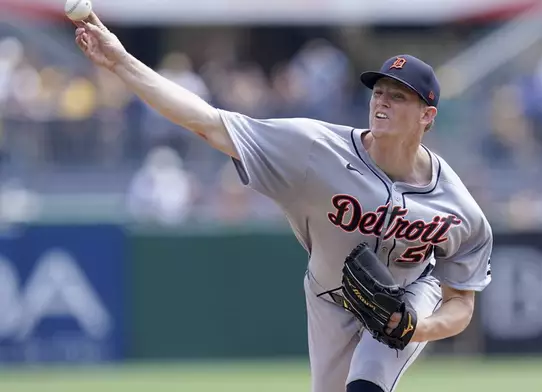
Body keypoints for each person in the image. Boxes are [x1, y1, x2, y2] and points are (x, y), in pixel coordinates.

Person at [72, 13, 493, 392]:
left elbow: (460, 303)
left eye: (398, 96)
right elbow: (205, 122)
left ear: (428, 116)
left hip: (410, 291)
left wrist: (418, 327)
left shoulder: (457, 208)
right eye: (379, 91)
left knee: (367, 382)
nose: (382, 101)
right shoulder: (314, 148)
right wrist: (121, 62)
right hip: (329, 294)